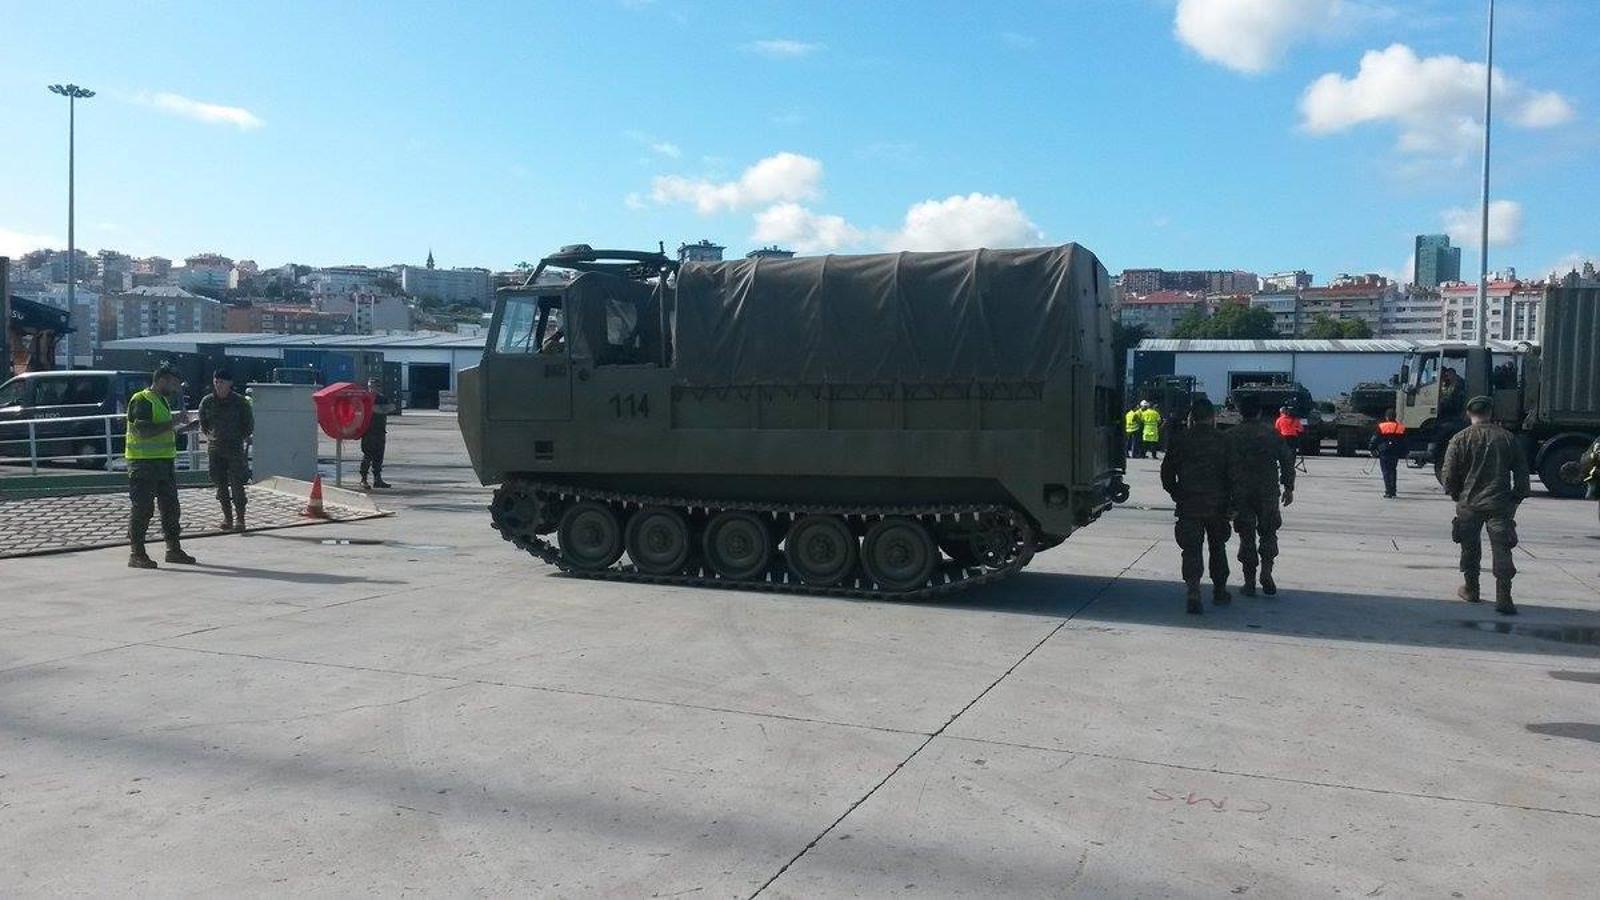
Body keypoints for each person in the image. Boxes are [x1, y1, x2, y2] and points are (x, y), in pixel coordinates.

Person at [1441, 396, 1530, 615]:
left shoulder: (1460, 439)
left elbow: (1448, 474)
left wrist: (1455, 494)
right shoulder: (1508, 439)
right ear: (1491, 412)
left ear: (1468, 413)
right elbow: (1521, 474)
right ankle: (1504, 596)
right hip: (1499, 504)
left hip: (1469, 504)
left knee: (1469, 548)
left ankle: (1471, 589)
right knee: (1502, 548)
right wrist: (1516, 498)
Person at [1161, 398, 1233, 614]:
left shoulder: (1180, 440)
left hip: (1188, 504)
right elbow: (1235, 474)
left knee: (1191, 549)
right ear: (1212, 417)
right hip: (1218, 505)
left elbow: (1167, 473)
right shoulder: (1224, 440)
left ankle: (1193, 590)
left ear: (1192, 418)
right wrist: (1233, 502)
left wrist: (1176, 493)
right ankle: (1219, 591)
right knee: (1218, 548)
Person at [124, 363, 198, 569]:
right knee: (143, 509)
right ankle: (137, 553)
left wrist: (184, 428)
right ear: (161, 380)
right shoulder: (142, 400)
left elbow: (162, 431)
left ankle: (173, 549)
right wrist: (174, 422)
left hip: (164, 462)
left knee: (171, 508)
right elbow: (142, 431)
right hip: (143, 463)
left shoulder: (161, 401)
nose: (175, 388)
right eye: (173, 384)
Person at [1224, 394, 1294, 596]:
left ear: (1240, 412)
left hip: (1240, 491)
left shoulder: (1231, 435)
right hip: (1267, 491)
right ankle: (1266, 570)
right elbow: (1287, 460)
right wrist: (1288, 487)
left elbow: (1222, 465)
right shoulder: (1272, 434)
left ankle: (1249, 582)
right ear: (1260, 412)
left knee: (1246, 535)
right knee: (1269, 531)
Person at [198, 368, 254, 531]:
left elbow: (248, 424)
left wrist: (238, 437)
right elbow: (204, 423)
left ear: (230, 383)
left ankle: (240, 519)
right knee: (220, 485)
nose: (218, 384)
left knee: (237, 485)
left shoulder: (240, 402)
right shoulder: (207, 401)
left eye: (222, 382)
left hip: (234, 447)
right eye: (216, 381)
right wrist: (212, 436)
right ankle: (227, 518)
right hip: (215, 448)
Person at [360, 376, 394, 490]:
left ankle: (377, 479)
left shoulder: (382, 398)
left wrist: (377, 408)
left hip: (380, 431)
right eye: (372, 386)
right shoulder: (364, 398)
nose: (374, 388)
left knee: (379, 456)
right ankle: (363, 479)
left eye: (376, 386)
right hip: (368, 431)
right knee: (367, 455)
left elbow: (390, 408)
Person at [1370, 410, 1407, 499]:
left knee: (1386, 472)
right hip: (1395, 452)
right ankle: (1393, 490)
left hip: (1384, 452)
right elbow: (1404, 441)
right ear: (1395, 417)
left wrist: (1372, 449)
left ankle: (1388, 491)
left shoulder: (1382, 426)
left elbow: (1375, 439)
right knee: (1393, 470)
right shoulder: (1400, 427)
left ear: (1387, 417)